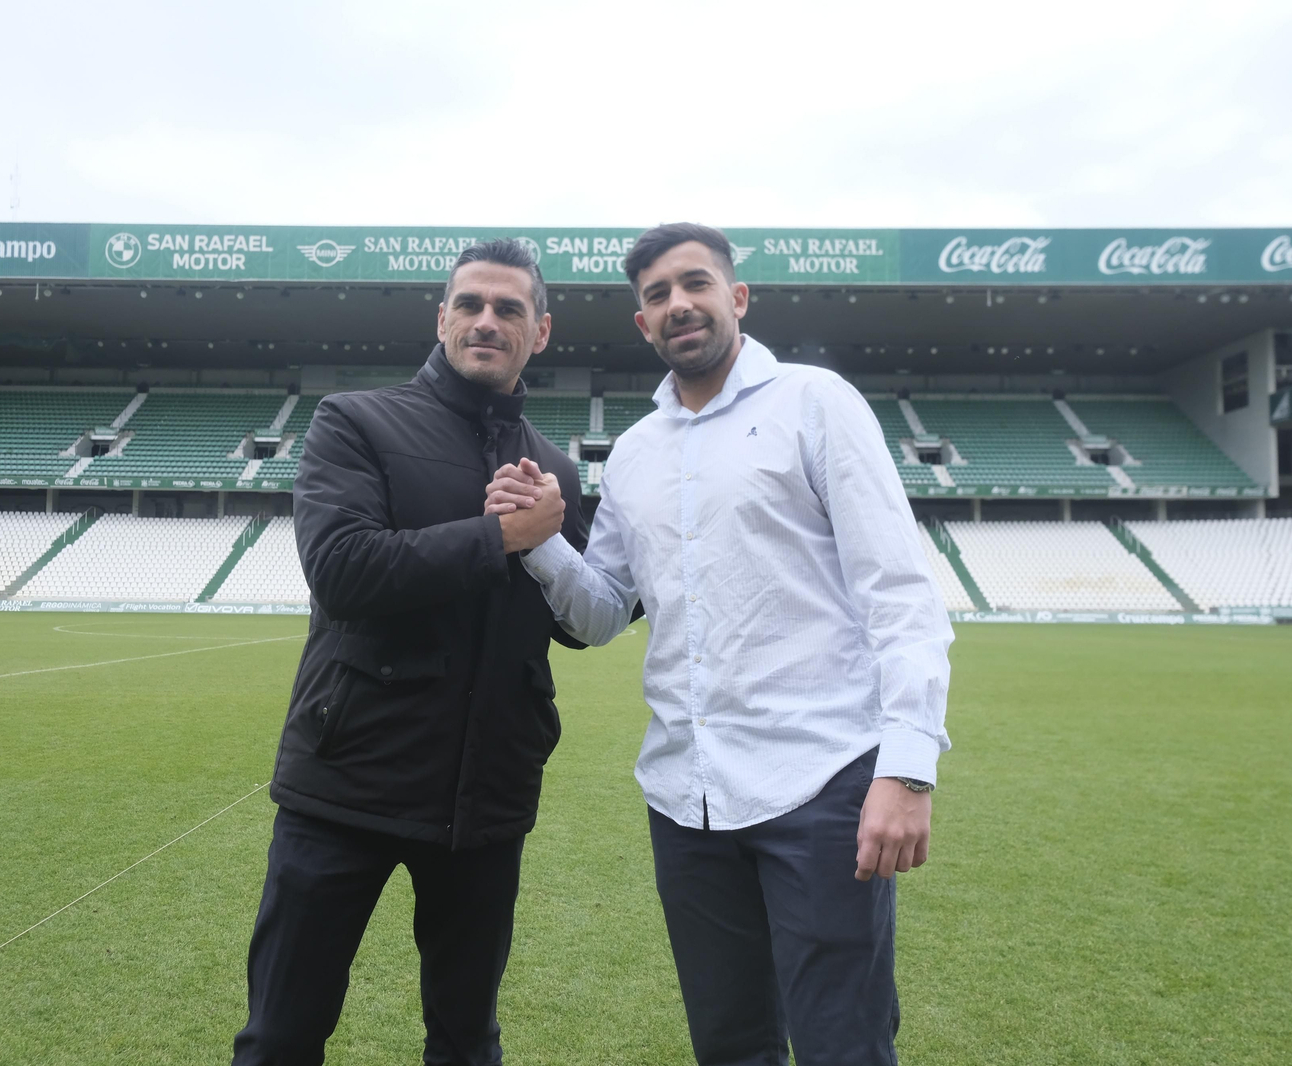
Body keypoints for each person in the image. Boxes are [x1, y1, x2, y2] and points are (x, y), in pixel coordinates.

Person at [485, 223, 954, 1065]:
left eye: (695, 284)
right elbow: (597, 615)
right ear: (643, 324)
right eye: (658, 295)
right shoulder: (632, 454)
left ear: (736, 297)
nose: (679, 305)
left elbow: (899, 590)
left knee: (842, 1042)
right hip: (685, 797)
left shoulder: (816, 403)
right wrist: (543, 539)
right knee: (729, 1046)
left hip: (822, 781)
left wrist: (907, 767)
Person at [233, 238, 587, 1066]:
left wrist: (573, 549)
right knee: (282, 1033)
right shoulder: (355, 420)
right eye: (469, 304)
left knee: (466, 1041)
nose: (486, 321)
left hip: (487, 798)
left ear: (541, 330)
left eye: (509, 309)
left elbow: (580, 619)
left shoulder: (559, 470)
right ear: (440, 319)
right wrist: (502, 535)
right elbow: (345, 571)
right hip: (346, 785)